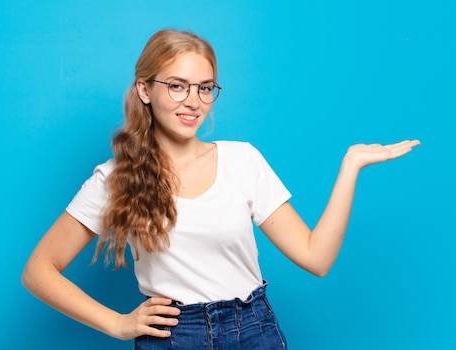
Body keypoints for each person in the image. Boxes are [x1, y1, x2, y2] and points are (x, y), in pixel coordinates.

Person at [21, 29, 420, 349]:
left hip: (253, 330)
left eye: (205, 87)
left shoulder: (242, 160)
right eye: (177, 86)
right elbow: (39, 270)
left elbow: (316, 258)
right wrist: (117, 323)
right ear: (145, 90)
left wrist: (350, 167)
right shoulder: (114, 178)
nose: (193, 101)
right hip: (174, 337)